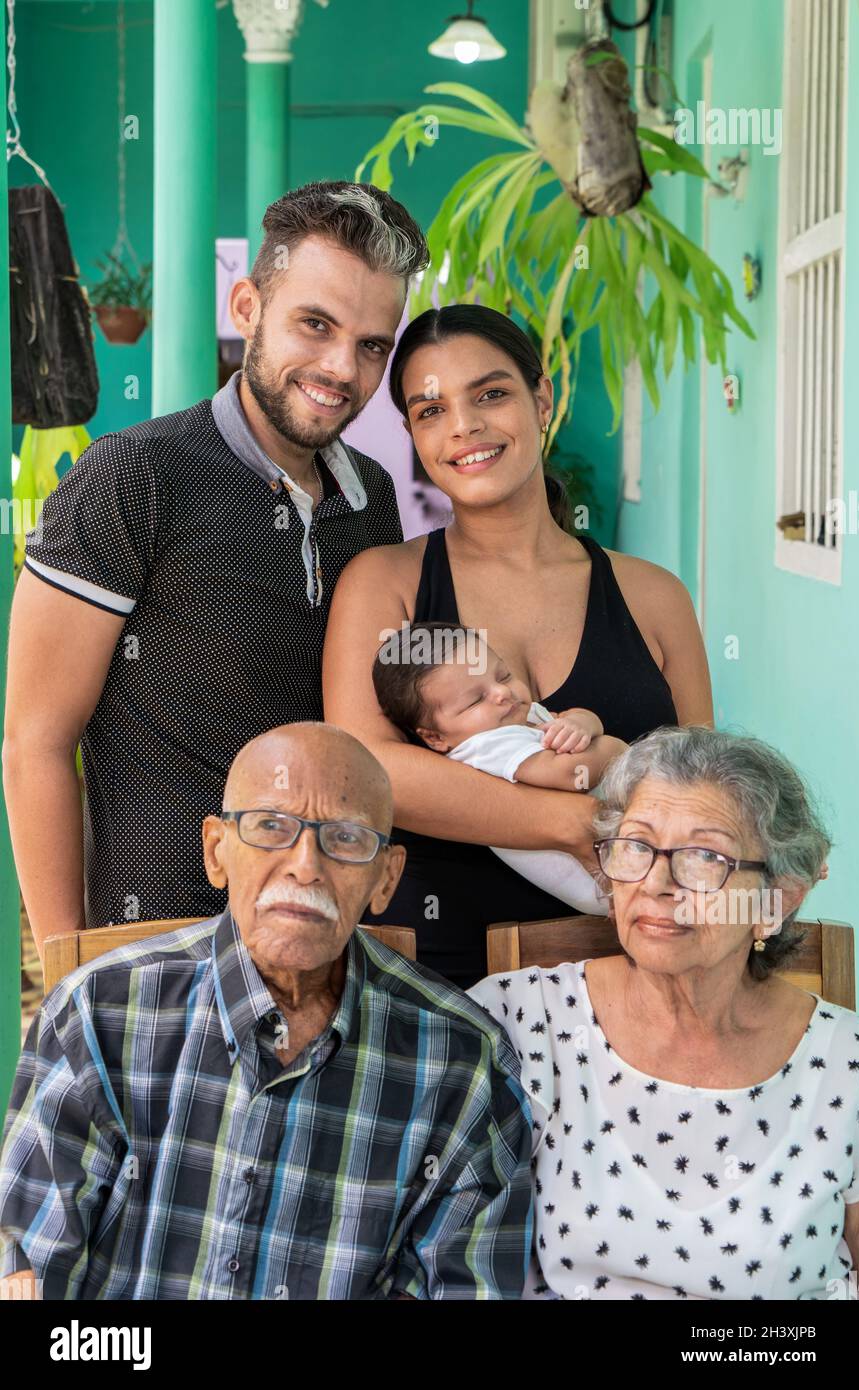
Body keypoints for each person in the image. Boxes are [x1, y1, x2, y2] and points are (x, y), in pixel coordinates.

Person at [3, 181, 429, 953]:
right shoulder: (134, 476)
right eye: (315, 324)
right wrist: (72, 970)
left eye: (372, 345)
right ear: (246, 309)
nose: (342, 368)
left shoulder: (374, 501)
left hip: (323, 947)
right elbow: (33, 741)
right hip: (159, 956)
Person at [0, 724, 533, 1301]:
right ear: (216, 852)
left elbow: (463, 1288)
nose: (305, 865)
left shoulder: (464, 1062)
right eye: (271, 827)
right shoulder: (97, 1014)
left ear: (387, 878)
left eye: (347, 838)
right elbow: (33, 1271)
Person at [323, 304, 712, 988]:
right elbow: (373, 772)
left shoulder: (654, 598)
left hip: (638, 983)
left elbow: (702, 786)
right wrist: (574, 821)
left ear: (542, 399)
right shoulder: (385, 584)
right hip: (432, 986)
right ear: (415, 435)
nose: (464, 426)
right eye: (430, 410)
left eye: (491, 394)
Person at [469, 725, 859, 1301]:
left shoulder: (849, 1062)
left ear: (775, 901)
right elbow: (447, 1261)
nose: (657, 883)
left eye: (704, 857)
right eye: (636, 846)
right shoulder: (522, 1019)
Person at [372, 620, 625, 912]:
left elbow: (567, 717)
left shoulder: (517, 716)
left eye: (503, 676)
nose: (501, 693)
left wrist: (583, 722)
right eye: (476, 700)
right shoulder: (482, 749)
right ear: (435, 737)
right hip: (605, 875)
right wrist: (614, 747)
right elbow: (570, 774)